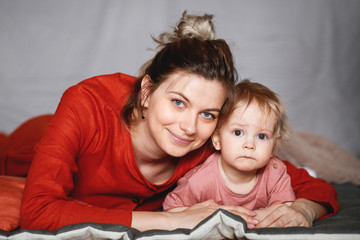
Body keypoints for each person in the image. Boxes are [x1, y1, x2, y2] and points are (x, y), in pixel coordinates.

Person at [19, 11, 338, 231]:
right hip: (23, 146)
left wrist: (302, 210)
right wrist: (169, 220)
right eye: (178, 102)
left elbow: (313, 186)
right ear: (146, 91)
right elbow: (37, 211)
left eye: (208, 114)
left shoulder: (210, 141)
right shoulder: (86, 104)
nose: (189, 126)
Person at [163, 80, 296, 228]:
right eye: (238, 132)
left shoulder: (275, 172)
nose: (249, 145)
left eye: (261, 136)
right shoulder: (199, 181)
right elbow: (171, 210)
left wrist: (258, 218)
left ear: (274, 145)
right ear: (217, 139)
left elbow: (286, 211)